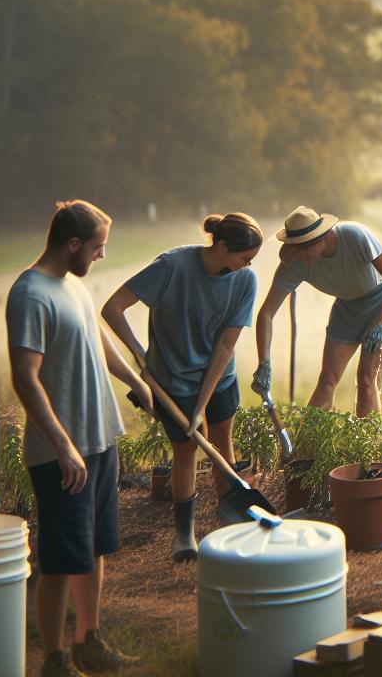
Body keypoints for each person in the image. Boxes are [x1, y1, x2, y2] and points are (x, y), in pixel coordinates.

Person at [8, 201, 144, 676]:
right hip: (61, 453)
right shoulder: (30, 294)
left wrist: (136, 380)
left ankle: (88, 640)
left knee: (94, 547)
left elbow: (97, 336)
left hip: (100, 440)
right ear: (72, 244)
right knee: (61, 558)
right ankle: (53, 658)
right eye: (98, 246)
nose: (102, 255)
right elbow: (25, 378)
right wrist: (63, 446)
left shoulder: (73, 286)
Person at [101, 212, 262, 561]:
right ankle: (184, 534)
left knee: (221, 446)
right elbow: (112, 308)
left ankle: (231, 520)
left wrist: (202, 406)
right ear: (222, 246)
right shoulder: (171, 267)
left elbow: (226, 345)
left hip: (220, 379)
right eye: (245, 257)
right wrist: (140, 355)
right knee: (186, 451)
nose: (249, 265)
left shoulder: (245, 280)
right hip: (173, 381)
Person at [252, 207, 382, 416]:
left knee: (366, 375)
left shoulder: (355, 236)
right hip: (347, 307)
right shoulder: (296, 261)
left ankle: (368, 436)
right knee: (327, 378)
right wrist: (264, 363)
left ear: (320, 239)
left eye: (304, 248)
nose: (300, 256)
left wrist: (379, 324)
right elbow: (266, 313)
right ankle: (308, 436)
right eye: (295, 249)